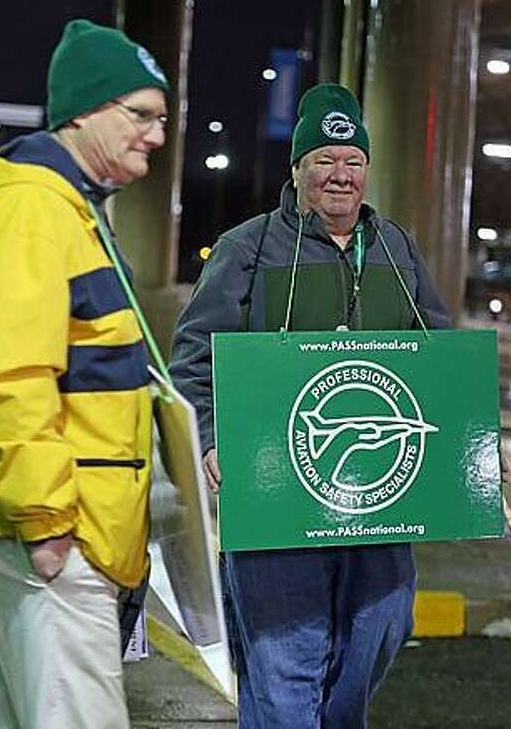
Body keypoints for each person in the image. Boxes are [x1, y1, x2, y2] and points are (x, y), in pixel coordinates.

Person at [169, 83, 452, 728]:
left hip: (380, 500)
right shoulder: (248, 249)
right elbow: (193, 359)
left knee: (381, 626)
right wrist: (212, 438)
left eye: (352, 160)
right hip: (275, 498)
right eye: (323, 159)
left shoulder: (397, 249)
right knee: (284, 667)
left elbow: (440, 355)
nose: (339, 175)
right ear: (297, 170)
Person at [0, 18, 169, 729]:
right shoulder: (32, 208)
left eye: (161, 118)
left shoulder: (67, 207)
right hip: (59, 533)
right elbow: (1, 377)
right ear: (87, 112)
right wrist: (46, 519)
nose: (156, 134)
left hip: (62, 529)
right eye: (142, 116)